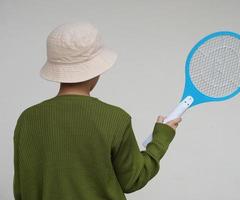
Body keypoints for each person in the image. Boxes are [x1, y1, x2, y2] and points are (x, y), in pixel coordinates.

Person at [13, 22, 182, 200]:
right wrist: (160, 139)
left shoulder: (27, 119)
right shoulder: (115, 118)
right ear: (97, 70)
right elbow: (132, 180)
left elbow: (21, 189)